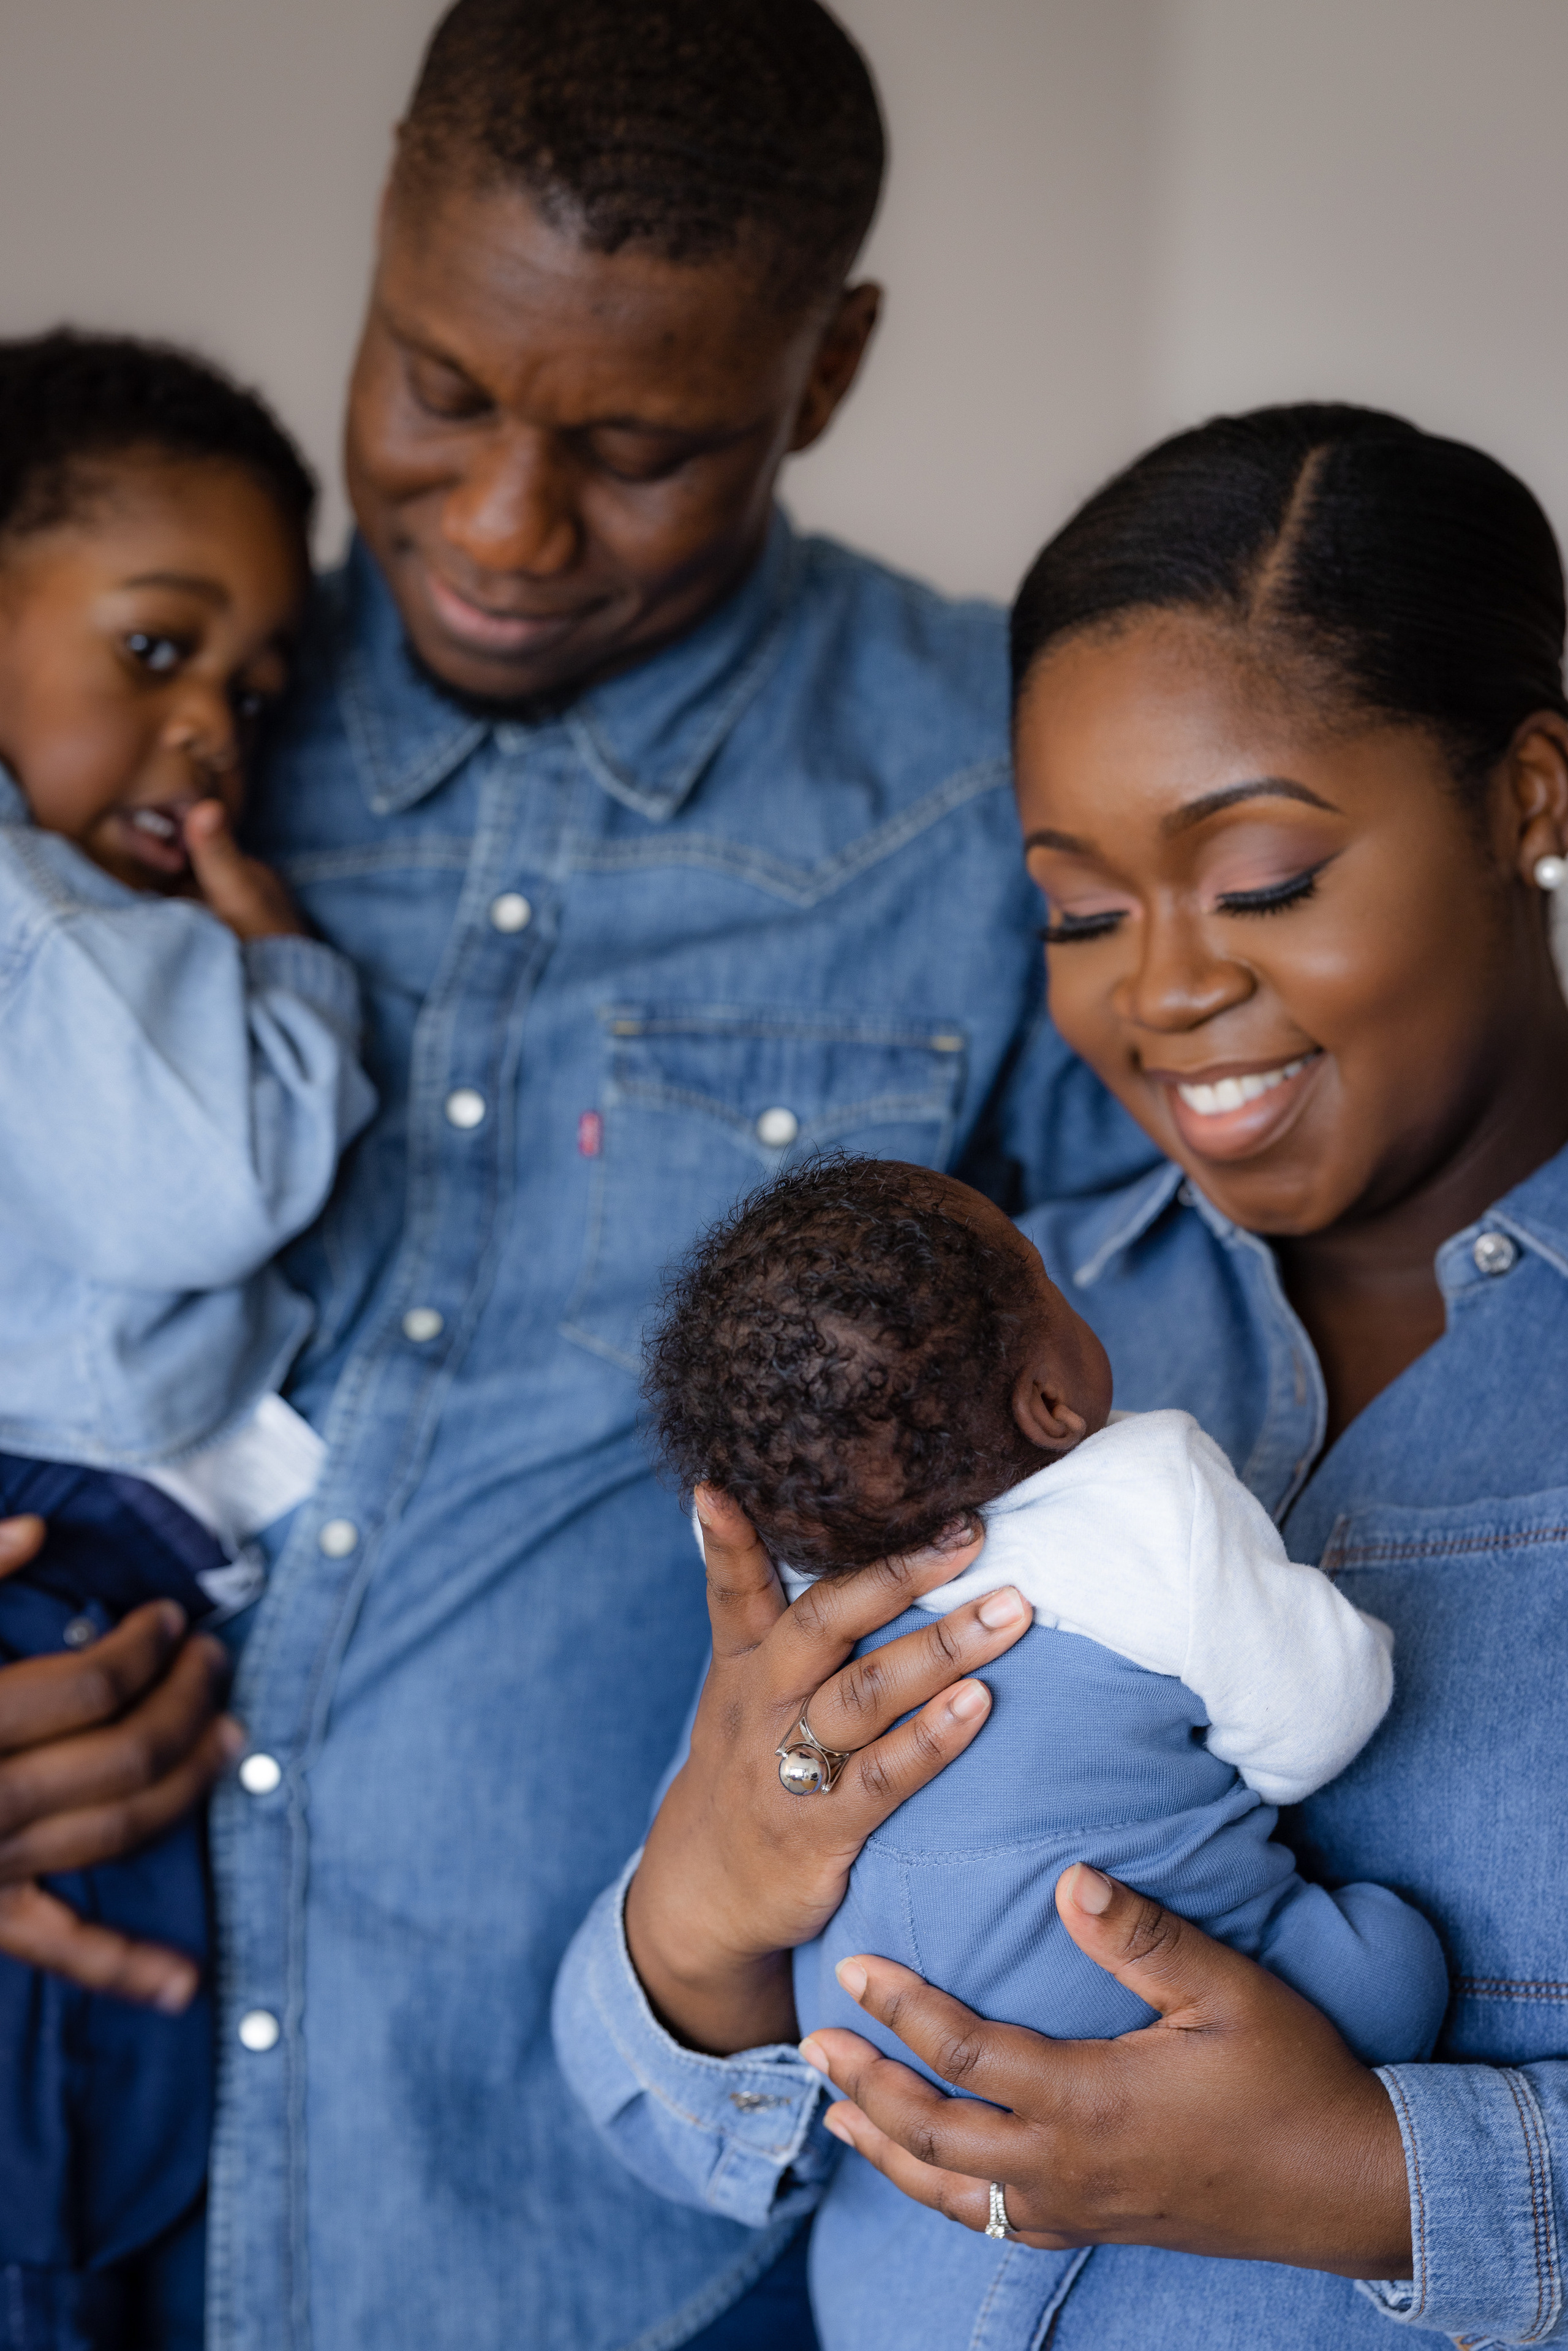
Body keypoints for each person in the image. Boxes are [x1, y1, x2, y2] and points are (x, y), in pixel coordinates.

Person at [0, 6, 1155, 2347]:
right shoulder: (137, 717)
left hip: (626, 2240)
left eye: (635, 447)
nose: (508, 528)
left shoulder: (1001, 785)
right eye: (438, 389)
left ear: (825, 372)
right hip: (71, 2178)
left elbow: (1162, 1480)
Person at [557, 402, 1568, 2348]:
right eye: (1080, 910)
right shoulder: (965, 1340)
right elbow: (647, 2113)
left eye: (1260, 877)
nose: (1160, 986)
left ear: (1530, 794)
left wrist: (1376, 2177)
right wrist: (699, 1904)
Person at [630, 1151, 1447, 2345]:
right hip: (1134, 1997)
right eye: (1046, 1275)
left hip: (871, 2037)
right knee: (1393, 1964)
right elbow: (1311, 1725)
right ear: (1051, 1402)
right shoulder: (1144, 1487)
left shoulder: (813, 1596)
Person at [0, 330, 374, 2350]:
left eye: (250, 685)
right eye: (154, 651)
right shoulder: (45, 920)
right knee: (89, 2089)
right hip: (57, 1564)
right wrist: (290, 975)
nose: (215, 731)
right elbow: (217, 1183)